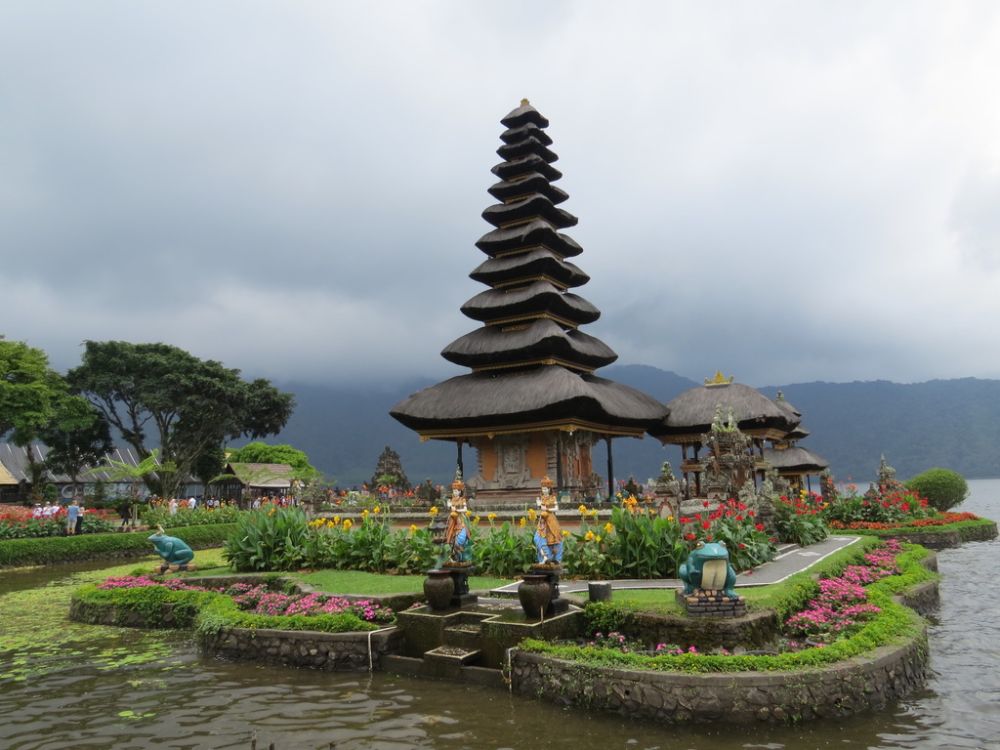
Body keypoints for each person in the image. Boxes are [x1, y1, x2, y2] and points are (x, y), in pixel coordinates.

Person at [533, 476, 563, 563]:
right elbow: (540, 507)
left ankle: (553, 557)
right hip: (543, 520)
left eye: (546, 489)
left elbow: (556, 508)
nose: (544, 491)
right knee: (538, 537)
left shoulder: (552, 498)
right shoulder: (541, 498)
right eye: (543, 489)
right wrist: (539, 504)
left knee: (553, 537)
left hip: (551, 520)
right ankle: (545, 556)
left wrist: (547, 508)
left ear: (549, 489)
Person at [444, 472, 472, 563]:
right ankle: (452, 550)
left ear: (460, 492)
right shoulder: (452, 499)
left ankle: (461, 553)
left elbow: (465, 509)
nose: (455, 493)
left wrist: (456, 509)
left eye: (456, 491)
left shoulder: (462, 500)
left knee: (462, 536)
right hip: (453, 519)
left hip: (460, 518)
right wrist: (449, 505)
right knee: (450, 533)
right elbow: (449, 507)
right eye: (454, 491)